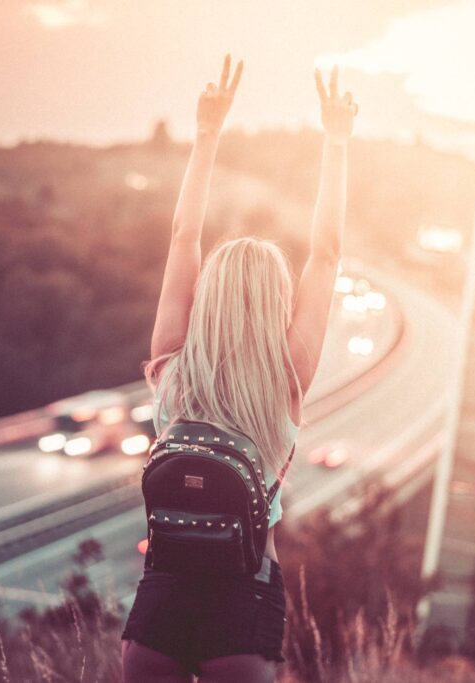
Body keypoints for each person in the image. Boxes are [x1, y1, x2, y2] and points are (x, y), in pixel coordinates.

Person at [120, 54, 358, 683]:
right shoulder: (286, 379)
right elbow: (327, 255)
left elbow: (181, 238)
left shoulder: (172, 367)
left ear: (210, 297)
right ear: (276, 304)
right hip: (243, 602)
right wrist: (336, 143)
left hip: (161, 600)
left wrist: (206, 136)